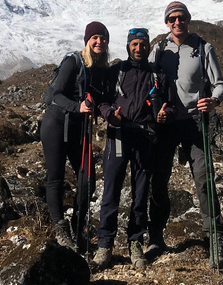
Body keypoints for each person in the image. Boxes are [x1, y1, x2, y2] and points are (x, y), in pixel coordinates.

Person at [148, 1, 223, 260]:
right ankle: (156, 236)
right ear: (166, 22)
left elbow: (219, 84)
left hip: (195, 122)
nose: (177, 22)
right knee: (158, 179)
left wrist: (213, 101)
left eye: (181, 17)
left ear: (188, 19)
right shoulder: (158, 50)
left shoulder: (204, 47)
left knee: (204, 177)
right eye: (172, 18)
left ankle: (214, 234)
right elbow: (146, 81)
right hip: (167, 122)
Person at [92, 28, 175, 270]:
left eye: (143, 44)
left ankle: (135, 242)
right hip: (119, 133)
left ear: (149, 47)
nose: (139, 49)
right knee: (111, 190)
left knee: (140, 192)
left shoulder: (158, 75)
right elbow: (102, 102)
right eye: (134, 44)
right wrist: (110, 115)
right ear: (128, 46)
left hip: (145, 137)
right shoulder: (116, 72)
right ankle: (104, 244)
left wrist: (165, 115)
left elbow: (169, 105)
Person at [41, 21, 110, 251]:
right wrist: (77, 106)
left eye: (103, 38)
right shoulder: (73, 61)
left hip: (79, 128)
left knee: (87, 181)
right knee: (56, 179)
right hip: (57, 123)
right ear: (87, 40)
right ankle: (61, 228)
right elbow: (54, 95)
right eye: (95, 38)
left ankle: (78, 226)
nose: (99, 41)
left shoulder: (100, 68)